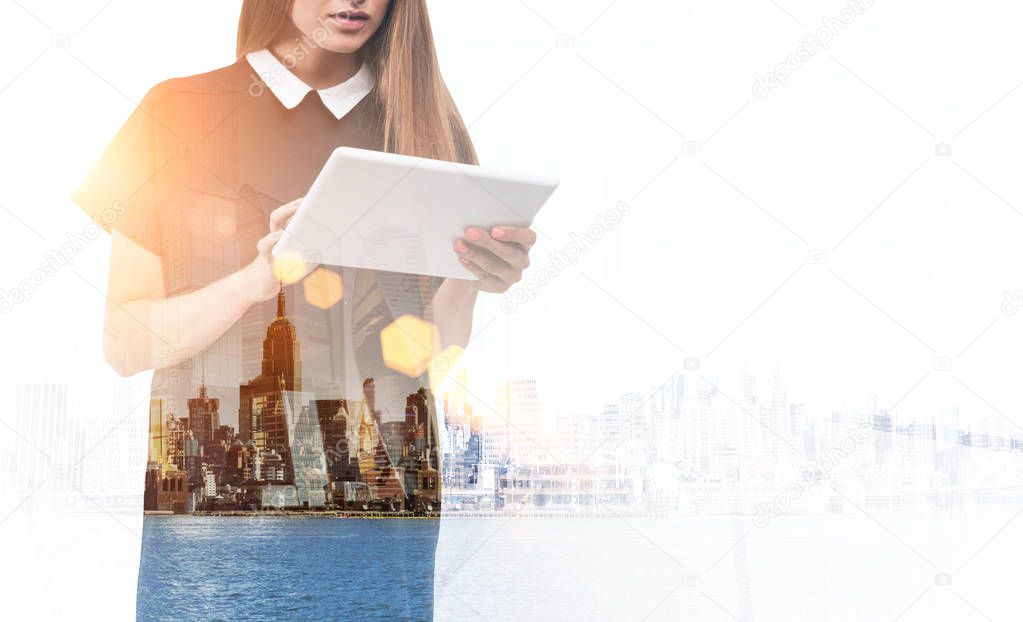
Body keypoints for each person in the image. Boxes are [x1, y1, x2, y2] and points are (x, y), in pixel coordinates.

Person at [72, 1, 537, 619]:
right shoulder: (175, 112)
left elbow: (427, 364)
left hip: (383, 524)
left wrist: (473, 279)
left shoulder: (428, 127)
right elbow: (125, 346)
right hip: (213, 535)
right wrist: (257, 280)